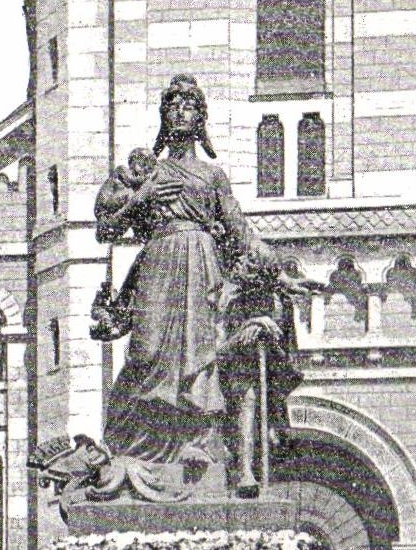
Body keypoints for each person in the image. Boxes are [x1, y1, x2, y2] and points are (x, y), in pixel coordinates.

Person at [93, 74, 280, 467]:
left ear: (201, 119)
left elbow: (240, 233)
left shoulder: (213, 176)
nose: (181, 112)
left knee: (199, 354)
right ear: (164, 117)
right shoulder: (145, 173)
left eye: (189, 106)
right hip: (157, 264)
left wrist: (267, 272)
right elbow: (106, 229)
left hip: (201, 266)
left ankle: (198, 443)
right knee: (145, 352)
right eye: (173, 106)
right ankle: (137, 449)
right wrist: (139, 199)